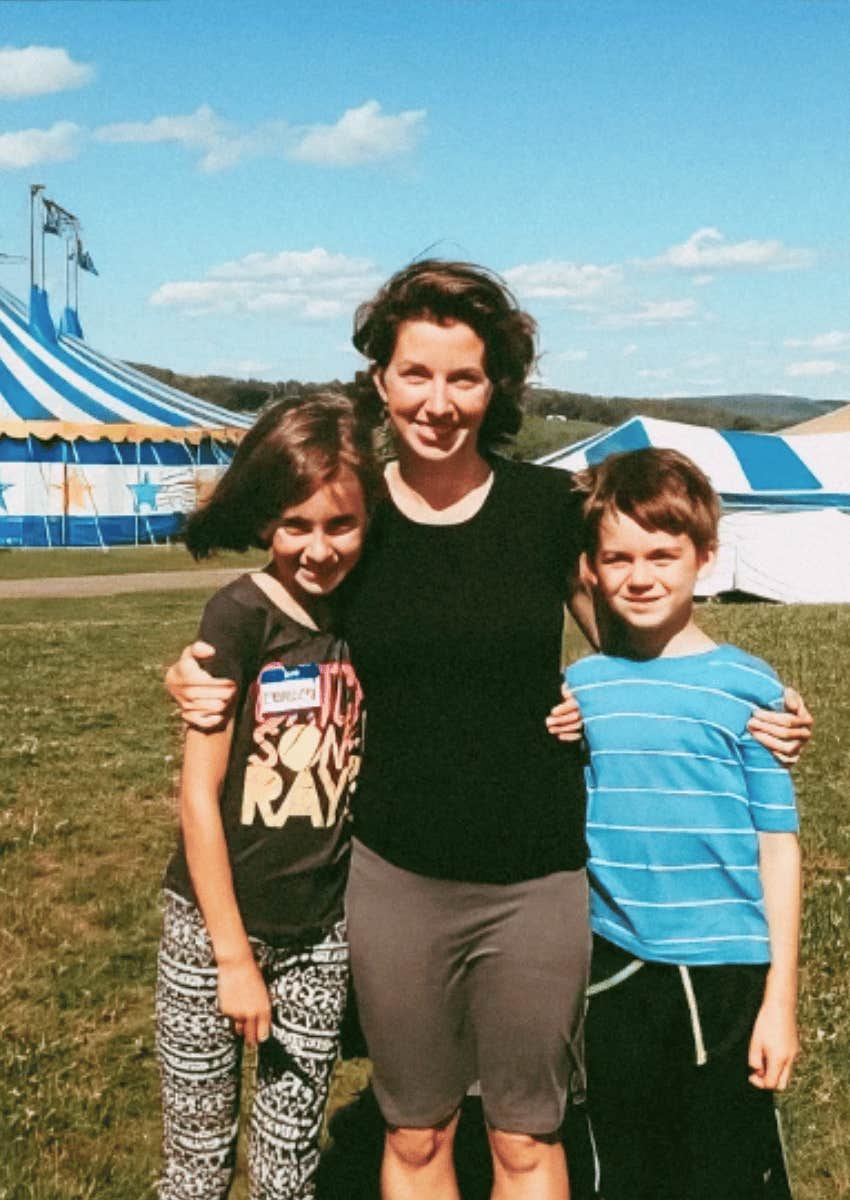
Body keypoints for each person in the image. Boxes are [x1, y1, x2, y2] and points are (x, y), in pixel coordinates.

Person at [165, 261, 812, 1200]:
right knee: (416, 1132)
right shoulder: (358, 519)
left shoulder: (548, 511)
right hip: (395, 879)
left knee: (525, 1139)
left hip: (538, 881)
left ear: (494, 385)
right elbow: (276, 622)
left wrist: (753, 697)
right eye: (416, 374)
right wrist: (193, 672)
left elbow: (642, 637)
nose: (438, 402)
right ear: (380, 379)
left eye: (463, 377)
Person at [155, 394, 383, 1200]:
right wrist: (231, 957)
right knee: (198, 1162)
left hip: (320, 933)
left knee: (290, 1166)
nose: (319, 549)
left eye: (341, 525)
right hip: (211, 928)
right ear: (264, 522)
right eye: (296, 526)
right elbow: (198, 796)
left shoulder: (371, 608)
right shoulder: (239, 614)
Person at [564, 447, 801, 1200]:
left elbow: (778, 846)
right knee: (624, 1168)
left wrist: (781, 1001)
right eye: (618, 558)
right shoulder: (579, 690)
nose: (640, 576)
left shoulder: (749, 687)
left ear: (706, 555)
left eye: (662, 555)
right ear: (591, 569)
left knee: (726, 1169)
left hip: (728, 975)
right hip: (614, 966)